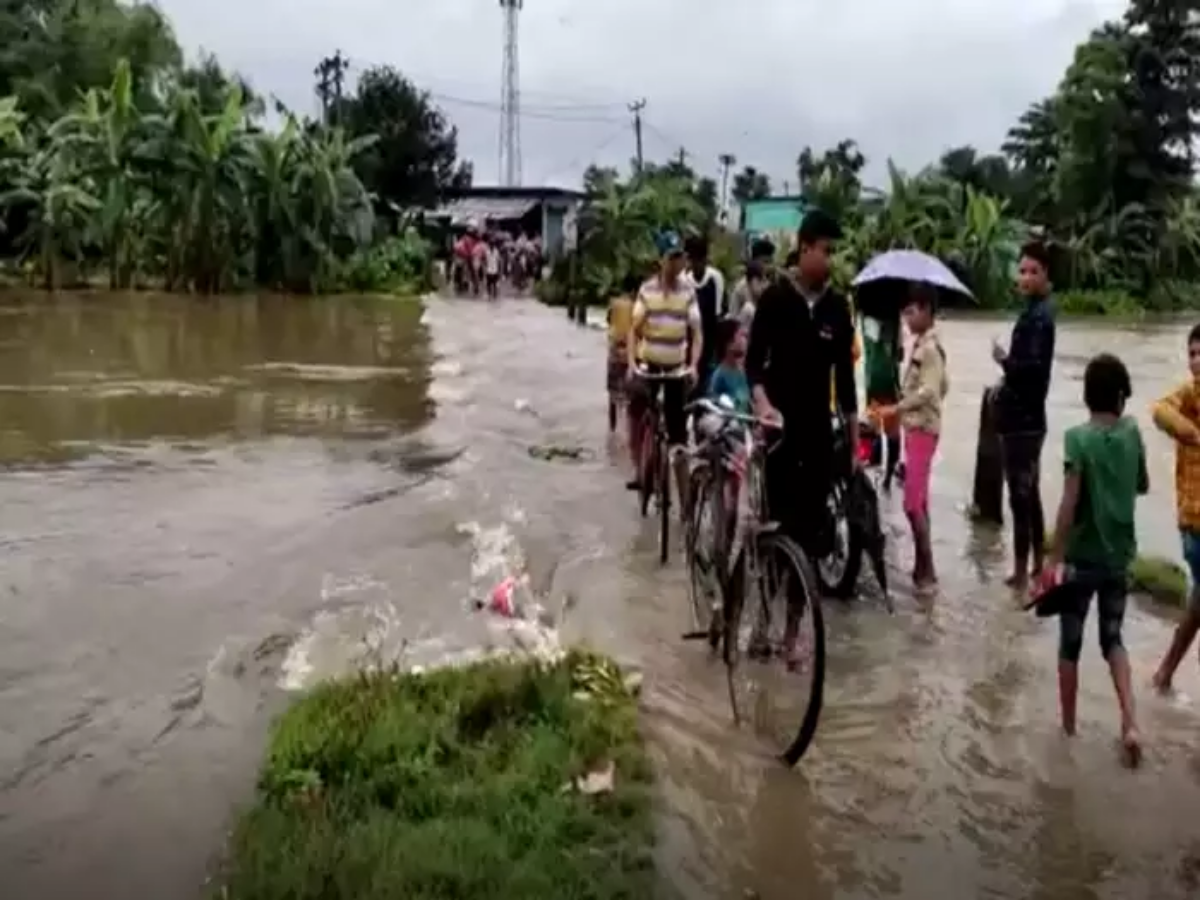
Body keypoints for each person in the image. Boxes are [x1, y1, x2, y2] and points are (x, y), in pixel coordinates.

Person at [1039, 353, 1147, 765]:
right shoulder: (1133, 433)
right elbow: (1141, 485)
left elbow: (1069, 501)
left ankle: (1068, 732)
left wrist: (1055, 557)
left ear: (1086, 396)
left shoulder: (1076, 439)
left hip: (1080, 560)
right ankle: (1131, 722)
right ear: (1120, 398)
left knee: (1070, 645)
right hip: (1118, 558)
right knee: (1113, 640)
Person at [746, 209, 857, 559]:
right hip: (779, 433)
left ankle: (800, 607)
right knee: (779, 527)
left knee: (812, 532)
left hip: (818, 433)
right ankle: (776, 598)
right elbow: (753, 366)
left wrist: (853, 443)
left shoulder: (837, 308)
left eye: (833, 252)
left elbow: (846, 378)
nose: (830, 260)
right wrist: (763, 406)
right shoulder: (775, 300)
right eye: (826, 251)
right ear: (805, 248)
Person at [877, 284, 948, 593]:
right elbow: (943, 386)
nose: (907, 317)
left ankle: (927, 570)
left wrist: (897, 406)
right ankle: (922, 567)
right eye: (906, 311)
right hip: (917, 427)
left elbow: (931, 390)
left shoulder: (930, 349)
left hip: (922, 429)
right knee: (920, 501)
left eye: (913, 310)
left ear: (928, 311)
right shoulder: (923, 345)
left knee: (910, 504)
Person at [995, 240, 1057, 590]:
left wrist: (1003, 360)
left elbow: (1031, 373)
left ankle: (1021, 572)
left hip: (1023, 422)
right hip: (1027, 419)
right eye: (1022, 271)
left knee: (1020, 495)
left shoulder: (1039, 318)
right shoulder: (1036, 313)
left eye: (1033, 271)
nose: (1026, 277)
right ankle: (1034, 562)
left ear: (1046, 274)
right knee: (1029, 493)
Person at [627, 232, 703, 506]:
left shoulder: (688, 292)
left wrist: (693, 366)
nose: (677, 263)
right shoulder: (647, 291)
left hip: (676, 370)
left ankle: (685, 505)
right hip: (650, 366)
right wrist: (632, 364)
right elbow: (633, 330)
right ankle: (641, 466)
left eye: (680, 257)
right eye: (672, 258)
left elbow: (697, 333)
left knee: (679, 438)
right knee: (638, 408)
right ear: (661, 261)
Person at [1150, 323, 1200, 694]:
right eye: (1192, 354)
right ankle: (1165, 672)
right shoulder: (1188, 396)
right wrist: (1192, 432)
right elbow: (1159, 410)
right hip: (1194, 521)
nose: (1196, 362)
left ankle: (1165, 672)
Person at [862, 306, 904, 490]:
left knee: (875, 429)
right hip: (887, 382)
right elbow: (900, 355)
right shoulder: (892, 322)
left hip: (873, 380)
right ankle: (886, 475)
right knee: (891, 432)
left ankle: (878, 473)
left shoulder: (865, 317)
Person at [683, 235, 726, 389]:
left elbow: (718, 313)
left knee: (706, 380)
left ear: (704, 259)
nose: (694, 265)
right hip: (691, 337)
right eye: (691, 260)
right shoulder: (686, 280)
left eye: (698, 260)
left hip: (710, 336)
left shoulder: (715, 278)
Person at [605, 274, 640, 433]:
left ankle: (612, 429)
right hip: (631, 353)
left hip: (614, 351)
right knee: (631, 396)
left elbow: (608, 320)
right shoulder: (637, 306)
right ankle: (628, 434)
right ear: (635, 290)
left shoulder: (614, 303)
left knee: (612, 394)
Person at [707, 317, 751, 414]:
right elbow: (714, 409)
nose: (746, 340)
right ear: (729, 344)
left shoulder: (743, 371)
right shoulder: (719, 376)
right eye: (742, 336)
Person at [729, 237, 776, 319]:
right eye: (765, 262)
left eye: (770, 262)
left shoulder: (771, 284)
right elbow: (733, 318)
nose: (769, 266)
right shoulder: (742, 287)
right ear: (754, 261)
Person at [734, 261, 768, 327]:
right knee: (749, 308)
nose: (764, 285)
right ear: (754, 280)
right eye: (762, 281)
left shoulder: (760, 284)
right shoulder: (742, 288)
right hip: (738, 325)